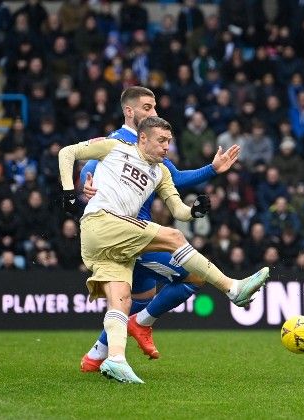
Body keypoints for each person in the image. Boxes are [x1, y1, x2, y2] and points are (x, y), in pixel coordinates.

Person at [58, 116, 269, 383]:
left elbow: (178, 209)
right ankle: (232, 289)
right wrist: (68, 191)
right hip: (100, 222)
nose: (166, 146)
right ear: (142, 138)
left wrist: (194, 212)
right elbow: (67, 152)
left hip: (112, 242)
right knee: (173, 236)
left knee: (121, 300)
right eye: (161, 140)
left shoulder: (161, 172)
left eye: (169, 141)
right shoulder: (115, 146)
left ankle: (115, 359)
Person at [78, 86, 239, 373]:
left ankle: (97, 356)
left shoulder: (153, 142)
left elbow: (173, 178)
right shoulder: (119, 140)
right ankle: (229, 288)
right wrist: (84, 184)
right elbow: (87, 162)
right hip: (129, 234)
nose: (154, 112)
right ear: (129, 111)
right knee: (193, 276)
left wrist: (211, 170)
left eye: (154, 107)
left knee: (135, 301)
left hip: (139, 229)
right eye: (147, 107)